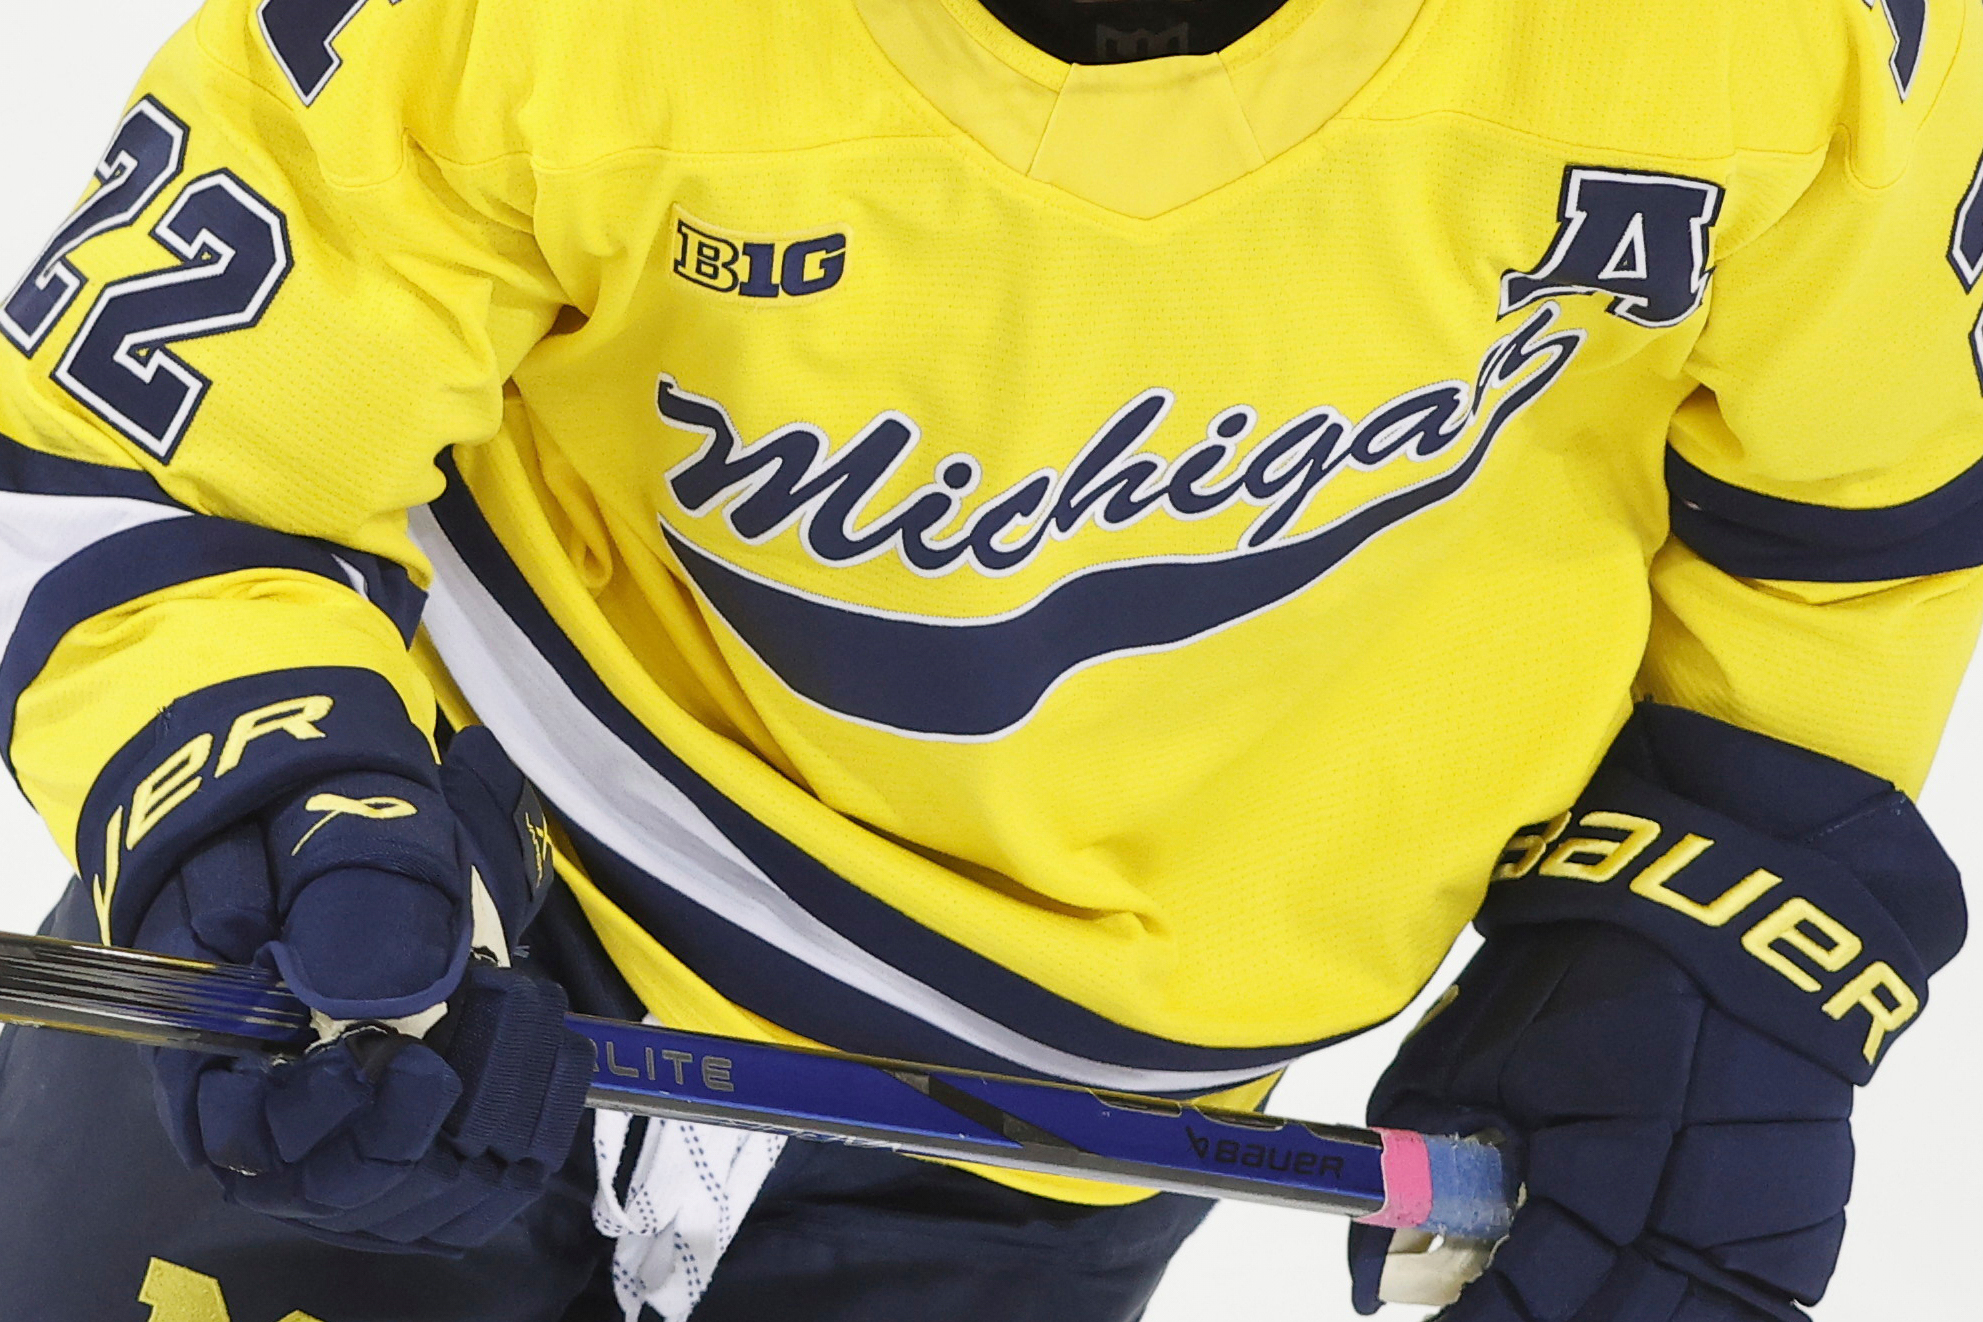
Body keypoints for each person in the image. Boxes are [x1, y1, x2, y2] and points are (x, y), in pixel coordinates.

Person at [0, 0, 1976, 1318]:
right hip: (435, 939)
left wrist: (1697, 944)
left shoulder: (1798, 43)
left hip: (1053, 1157)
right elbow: (149, 455)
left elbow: (1854, 523)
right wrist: (243, 805)